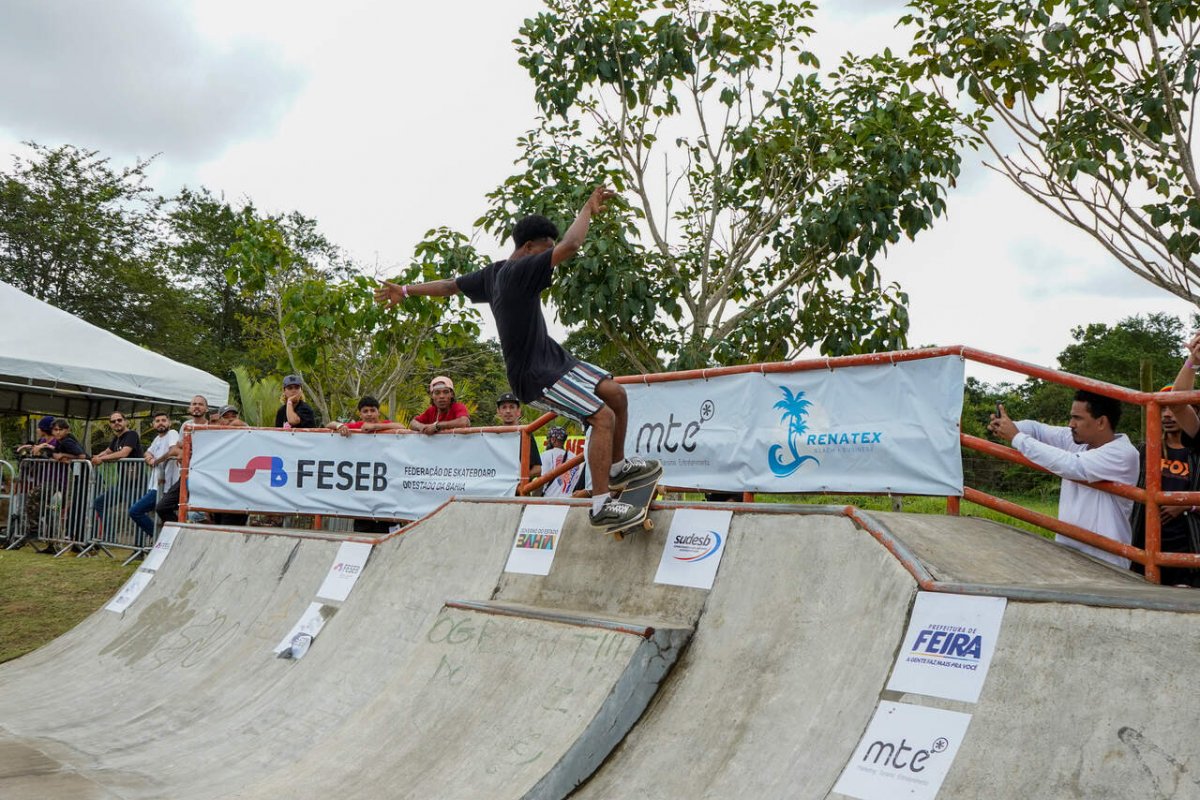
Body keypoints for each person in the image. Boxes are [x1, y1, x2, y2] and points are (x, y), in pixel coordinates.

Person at [375, 186, 659, 529]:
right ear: (528, 249)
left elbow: (450, 286)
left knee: (616, 394)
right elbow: (572, 245)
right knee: (601, 418)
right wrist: (587, 208)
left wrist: (405, 291)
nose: (548, 259)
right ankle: (600, 505)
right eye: (544, 251)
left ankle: (615, 468)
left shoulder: (493, 273)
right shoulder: (519, 272)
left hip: (555, 358)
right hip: (536, 374)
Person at [989, 390, 1139, 568]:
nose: (1071, 424)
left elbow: (1071, 465)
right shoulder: (1078, 440)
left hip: (1105, 563)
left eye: (1078, 418)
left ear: (1101, 422)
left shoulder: (1122, 453)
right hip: (1068, 555)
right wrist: (1007, 425)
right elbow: (1037, 429)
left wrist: (1017, 437)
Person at [1129, 387, 1200, 586]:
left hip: (1188, 546)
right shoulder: (1146, 450)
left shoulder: (1197, 454)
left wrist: (1187, 504)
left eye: (1174, 408)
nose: (1168, 414)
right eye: (1163, 408)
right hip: (1144, 543)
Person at [128, 412, 180, 547]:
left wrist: (156, 461)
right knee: (158, 513)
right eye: (157, 421)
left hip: (165, 485)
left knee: (135, 511)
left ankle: (161, 538)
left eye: (163, 420)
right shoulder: (157, 438)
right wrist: (149, 458)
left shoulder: (172, 433)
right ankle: (165, 538)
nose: (160, 423)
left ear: (169, 422)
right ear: (153, 424)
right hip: (155, 485)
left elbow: (173, 451)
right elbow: (147, 452)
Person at [91, 411, 145, 538]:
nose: (116, 423)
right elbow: (108, 451)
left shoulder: (131, 434)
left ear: (125, 421)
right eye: (113, 421)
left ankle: (140, 546)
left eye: (119, 420)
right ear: (110, 424)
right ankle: (110, 537)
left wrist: (101, 460)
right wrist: (95, 458)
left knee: (136, 512)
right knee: (99, 503)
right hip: (122, 484)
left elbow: (124, 453)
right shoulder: (117, 438)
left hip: (136, 484)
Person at [156, 395, 209, 524]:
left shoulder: (211, 426)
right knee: (162, 507)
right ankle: (181, 531)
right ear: (189, 408)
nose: (197, 406)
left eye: (200, 404)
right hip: (186, 475)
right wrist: (182, 453)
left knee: (198, 514)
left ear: (206, 409)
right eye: (194, 404)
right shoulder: (186, 425)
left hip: (205, 477)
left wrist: (186, 452)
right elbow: (178, 447)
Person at [496, 392, 540, 482]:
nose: (508, 411)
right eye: (504, 407)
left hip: (519, 492)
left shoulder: (526, 435)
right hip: (496, 491)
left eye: (512, 407)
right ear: (498, 411)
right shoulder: (492, 436)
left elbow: (537, 469)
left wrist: (517, 481)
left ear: (519, 411)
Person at [540, 426, 583, 498]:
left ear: (553, 439)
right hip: (569, 500)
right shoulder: (574, 457)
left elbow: (542, 480)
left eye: (548, 439)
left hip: (550, 501)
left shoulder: (546, 455)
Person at [328, 396, 403, 436]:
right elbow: (329, 424)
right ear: (360, 414)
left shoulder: (386, 423)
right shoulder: (358, 425)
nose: (369, 414)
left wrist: (375, 427)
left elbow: (401, 426)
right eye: (365, 411)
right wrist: (340, 426)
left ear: (378, 413)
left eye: (372, 410)